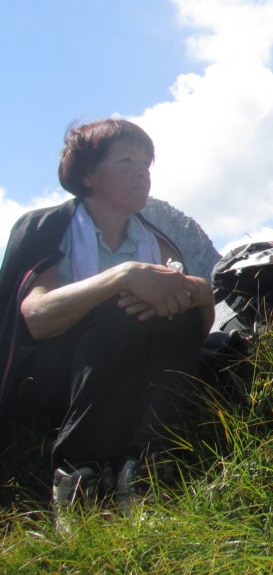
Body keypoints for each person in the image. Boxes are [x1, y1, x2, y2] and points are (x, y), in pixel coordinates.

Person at [0, 119, 214, 518]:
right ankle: (79, 471)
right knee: (123, 308)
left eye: (146, 164)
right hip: (54, 379)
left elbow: (193, 335)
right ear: (88, 175)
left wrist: (200, 295)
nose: (142, 173)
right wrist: (121, 276)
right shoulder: (49, 228)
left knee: (173, 314)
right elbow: (36, 319)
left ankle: (146, 466)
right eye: (127, 161)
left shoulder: (158, 241)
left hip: (133, 377)